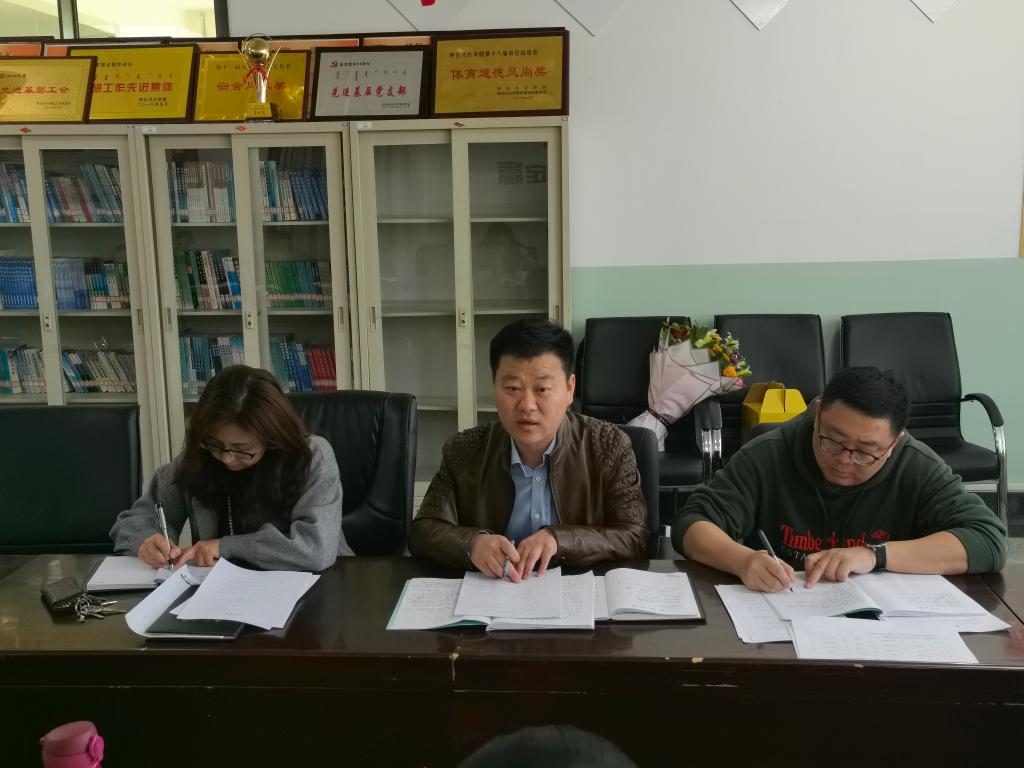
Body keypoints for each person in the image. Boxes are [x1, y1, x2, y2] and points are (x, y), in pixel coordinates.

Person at [674, 366, 1006, 592]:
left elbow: (987, 540)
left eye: (866, 452)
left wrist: (874, 555)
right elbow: (692, 523)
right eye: (832, 441)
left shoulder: (917, 465)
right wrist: (742, 560)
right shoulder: (768, 453)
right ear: (818, 413)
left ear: (895, 442)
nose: (845, 461)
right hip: (782, 616)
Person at [409, 318, 647, 580]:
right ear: (494, 386)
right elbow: (423, 531)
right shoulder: (465, 450)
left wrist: (559, 540)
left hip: (577, 593)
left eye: (542, 389)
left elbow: (633, 537)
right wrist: (472, 544)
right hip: (493, 593)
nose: (527, 405)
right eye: (512, 388)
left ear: (569, 389)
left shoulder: (608, 446)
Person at [111, 365, 351, 571]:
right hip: (222, 590)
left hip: (319, 587)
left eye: (242, 449)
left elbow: (315, 549)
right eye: (216, 444)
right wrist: (146, 540)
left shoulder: (311, 457)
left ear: (272, 436)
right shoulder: (200, 456)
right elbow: (131, 522)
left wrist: (225, 547)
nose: (227, 458)